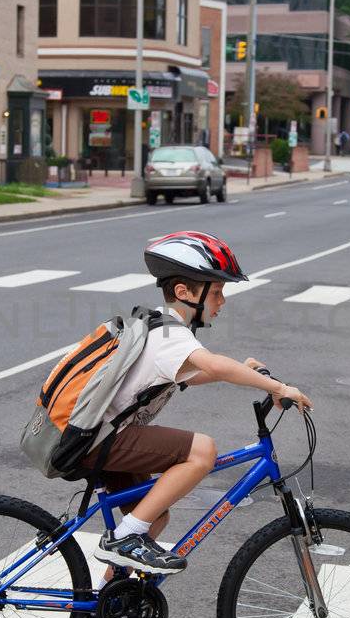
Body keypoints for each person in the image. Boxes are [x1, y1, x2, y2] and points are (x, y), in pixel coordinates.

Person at [84, 231, 312, 575]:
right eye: (216, 291)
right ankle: (126, 536)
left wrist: (245, 371)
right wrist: (279, 387)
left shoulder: (161, 329)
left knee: (154, 516)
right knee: (202, 451)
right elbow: (213, 364)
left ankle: (102, 603)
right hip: (103, 441)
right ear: (184, 293)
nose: (222, 301)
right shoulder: (170, 334)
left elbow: (195, 372)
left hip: (102, 438)